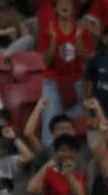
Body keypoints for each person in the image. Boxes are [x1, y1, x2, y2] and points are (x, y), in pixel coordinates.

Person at [37, 0, 93, 146]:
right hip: (53, 84)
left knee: (76, 129)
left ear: (73, 7)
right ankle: (50, 163)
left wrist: (79, 39)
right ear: (55, 8)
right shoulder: (48, 30)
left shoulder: (82, 29)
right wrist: (53, 40)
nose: (64, 5)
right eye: (60, 3)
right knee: (50, 128)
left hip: (77, 84)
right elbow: (46, 61)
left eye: (67, 2)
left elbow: (86, 58)